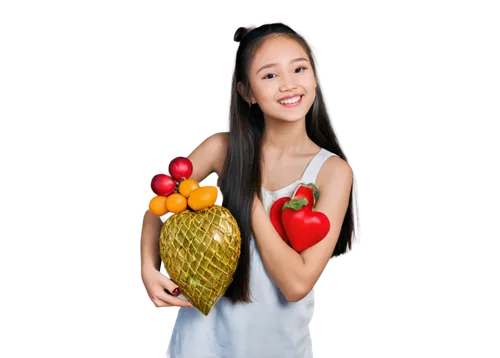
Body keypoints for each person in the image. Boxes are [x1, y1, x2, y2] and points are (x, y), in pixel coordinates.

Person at [140, 22, 361, 358]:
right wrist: (148, 267)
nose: (289, 85)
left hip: (278, 348)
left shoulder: (333, 172)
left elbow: (297, 285)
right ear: (247, 92)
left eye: (299, 69)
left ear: (315, 77)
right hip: (200, 343)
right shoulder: (222, 148)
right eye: (269, 75)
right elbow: (164, 197)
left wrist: (247, 195)